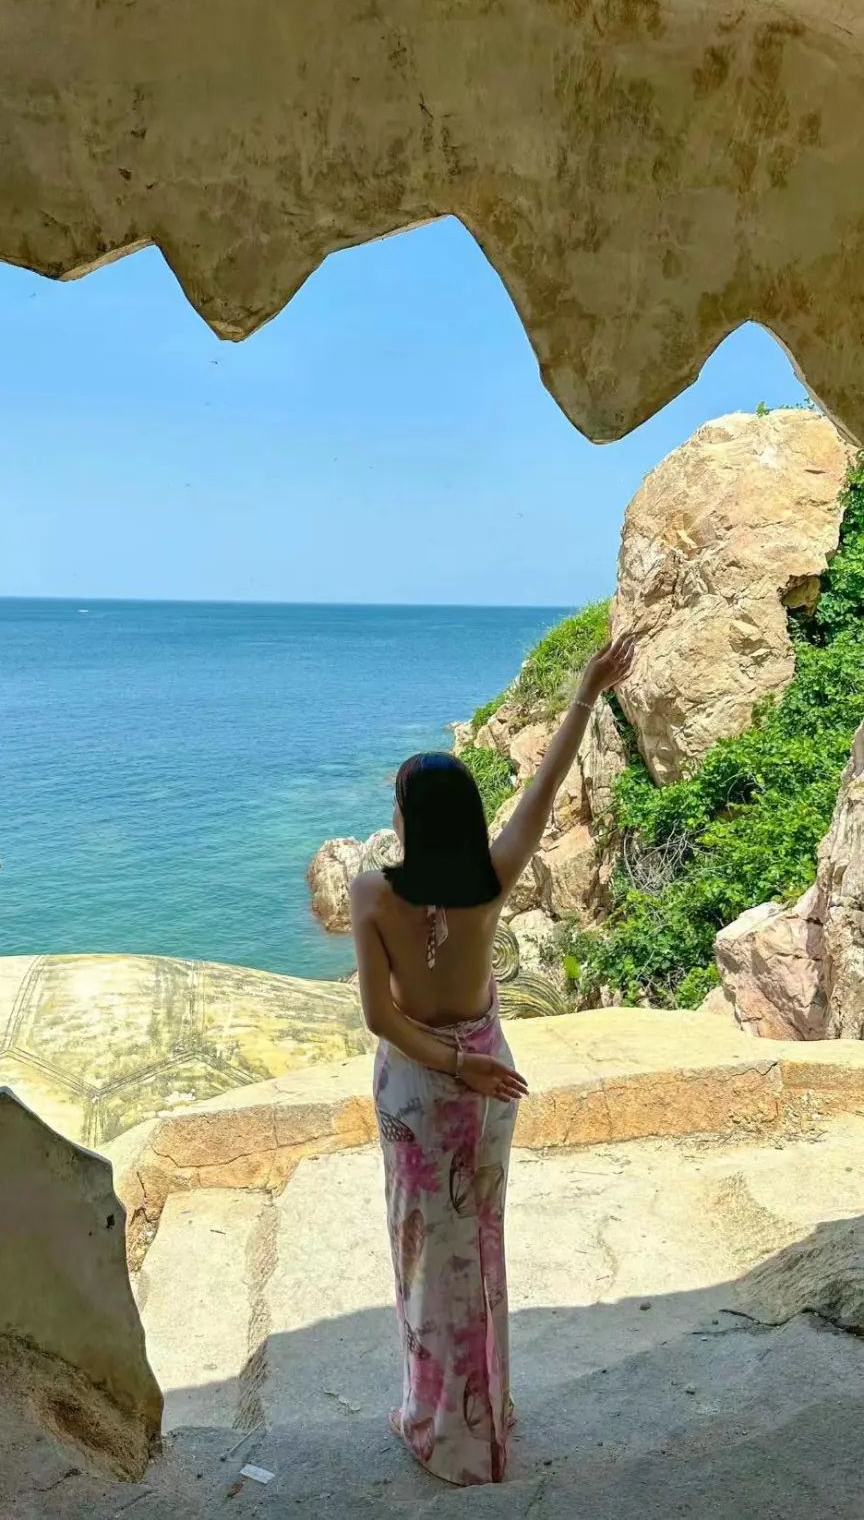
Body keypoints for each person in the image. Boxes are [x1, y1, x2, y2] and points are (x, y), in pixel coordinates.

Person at [351, 632, 635, 1486]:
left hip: (417, 1089)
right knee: (479, 1246)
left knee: (423, 1253)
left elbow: (380, 1016)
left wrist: (446, 1060)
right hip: (487, 1080)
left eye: (399, 802)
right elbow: (544, 787)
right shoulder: (494, 873)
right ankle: (487, 1418)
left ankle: (438, 1423)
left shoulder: (371, 893)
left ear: (410, 822)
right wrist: (585, 689)